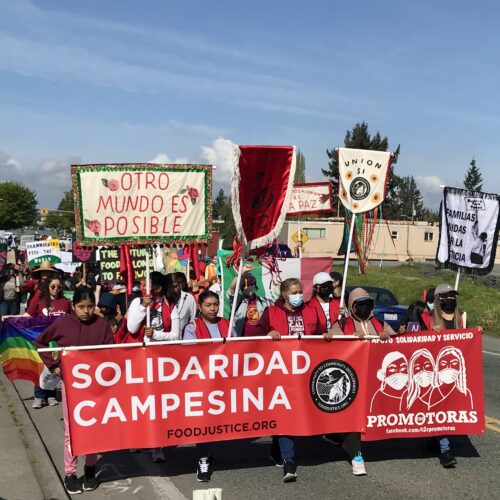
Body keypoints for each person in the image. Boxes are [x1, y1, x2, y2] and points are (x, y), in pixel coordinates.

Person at [34, 287, 114, 495]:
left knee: (93, 428)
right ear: (73, 306)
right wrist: (54, 366)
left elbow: (111, 351)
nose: (86, 311)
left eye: (90, 307)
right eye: (81, 307)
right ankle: (70, 473)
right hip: (71, 387)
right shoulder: (62, 324)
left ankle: (90, 469)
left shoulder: (102, 325)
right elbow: (40, 342)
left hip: (96, 387)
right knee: (72, 432)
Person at [255, 278, 322, 483]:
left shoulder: (311, 310)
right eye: (294, 292)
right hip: (280, 373)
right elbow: (254, 337)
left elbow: (319, 335)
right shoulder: (271, 313)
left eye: (300, 291)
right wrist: (268, 333)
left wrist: (326, 337)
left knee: (290, 415)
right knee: (286, 414)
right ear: (284, 294)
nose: (298, 295)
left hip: (305, 371)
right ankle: (288, 460)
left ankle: (277, 448)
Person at [127, 271, 180, 463]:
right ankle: (138, 438)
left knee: (157, 404)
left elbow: (176, 335)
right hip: (139, 360)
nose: (151, 291)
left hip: (160, 360)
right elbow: (131, 328)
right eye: (148, 286)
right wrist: (142, 307)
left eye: (155, 287)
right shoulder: (135, 303)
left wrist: (155, 335)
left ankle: (157, 446)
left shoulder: (170, 305)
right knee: (139, 401)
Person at [183, 290, 235, 482]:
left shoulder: (226, 325)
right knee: (202, 421)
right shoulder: (192, 328)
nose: (213, 308)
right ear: (200, 307)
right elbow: (190, 354)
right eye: (208, 305)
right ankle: (203, 458)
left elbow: (237, 349)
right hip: (202, 381)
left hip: (223, 380)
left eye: (215, 304)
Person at [227, 264, 272, 337]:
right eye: (247, 284)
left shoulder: (264, 302)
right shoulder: (237, 300)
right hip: (241, 341)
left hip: (260, 340)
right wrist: (241, 272)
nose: (250, 287)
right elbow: (232, 289)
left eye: (252, 284)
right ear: (242, 287)